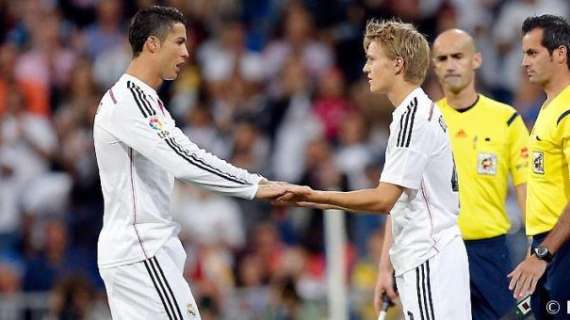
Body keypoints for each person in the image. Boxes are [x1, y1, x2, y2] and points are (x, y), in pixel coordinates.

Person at [93, 6, 288, 319]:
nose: (186, 52)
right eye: (179, 42)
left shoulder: (129, 98)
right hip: (142, 248)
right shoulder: (133, 98)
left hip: (131, 250)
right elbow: (185, 159)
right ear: (152, 44)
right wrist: (255, 185)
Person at [278, 19, 471, 319]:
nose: (366, 68)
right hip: (430, 257)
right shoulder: (414, 112)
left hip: (429, 258)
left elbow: (384, 200)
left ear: (397, 64)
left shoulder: (413, 119)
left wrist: (314, 197)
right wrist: (385, 267)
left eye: (372, 59)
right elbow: (403, 201)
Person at [431, 29, 529, 320]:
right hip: (439, 250)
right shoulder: (425, 121)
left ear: (476, 59)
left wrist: (536, 247)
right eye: (442, 58)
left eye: (458, 56)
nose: (450, 64)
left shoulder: (506, 119)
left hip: (491, 251)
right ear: (434, 65)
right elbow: (402, 193)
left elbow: (525, 185)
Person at [508, 14, 570, 320]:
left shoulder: (568, 110)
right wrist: (536, 247)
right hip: (547, 246)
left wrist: (544, 252)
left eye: (532, 53)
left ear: (560, 53)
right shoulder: (548, 107)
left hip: (562, 250)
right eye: (523, 53)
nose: (523, 62)